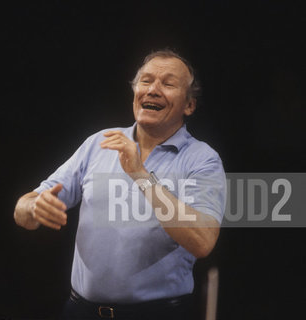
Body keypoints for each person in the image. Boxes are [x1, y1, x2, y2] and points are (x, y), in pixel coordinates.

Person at [14, 49, 227, 320]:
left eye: (168, 83)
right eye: (146, 81)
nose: (153, 90)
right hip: (81, 311)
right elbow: (23, 208)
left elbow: (203, 241)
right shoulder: (99, 143)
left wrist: (140, 174)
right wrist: (33, 209)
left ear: (189, 105)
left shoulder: (202, 159)